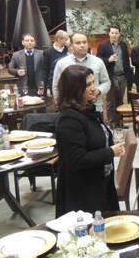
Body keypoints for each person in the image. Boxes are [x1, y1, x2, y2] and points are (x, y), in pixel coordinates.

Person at [54, 64, 126, 218]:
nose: (94, 88)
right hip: (82, 195)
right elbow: (77, 159)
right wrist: (110, 152)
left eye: (93, 82)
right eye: (88, 84)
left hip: (100, 185)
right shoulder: (69, 118)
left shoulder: (87, 110)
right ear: (74, 88)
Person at [52, 32, 110, 114]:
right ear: (71, 46)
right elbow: (56, 86)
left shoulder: (98, 62)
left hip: (95, 107)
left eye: (84, 42)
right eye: (78, 43)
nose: (82, 45)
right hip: (70, 109)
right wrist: (58, 105)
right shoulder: (62, 63)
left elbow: (106, 82)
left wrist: (98, 90)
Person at [97, 26, 131, 128]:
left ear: (119, 34)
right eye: (112, 33)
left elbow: (126, 60)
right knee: (111, 101)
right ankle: (111, 123)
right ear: (109, 33)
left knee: (120, 100)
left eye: (116, 33)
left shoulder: (123, 45)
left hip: (123, 76)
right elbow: (98, 59)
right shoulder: (103, 45)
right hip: (111, 76)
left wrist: (128, 75)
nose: (114, 35)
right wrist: (108, 60)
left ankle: (120, 122)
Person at [41, 30, 69, 95]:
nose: (68, 41)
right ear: (59, 39)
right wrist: (43, 85)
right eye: (66, 39)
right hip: (53, 83)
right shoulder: (48, 52)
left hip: (67, 83)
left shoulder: (67, 50)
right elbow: (45, 70)